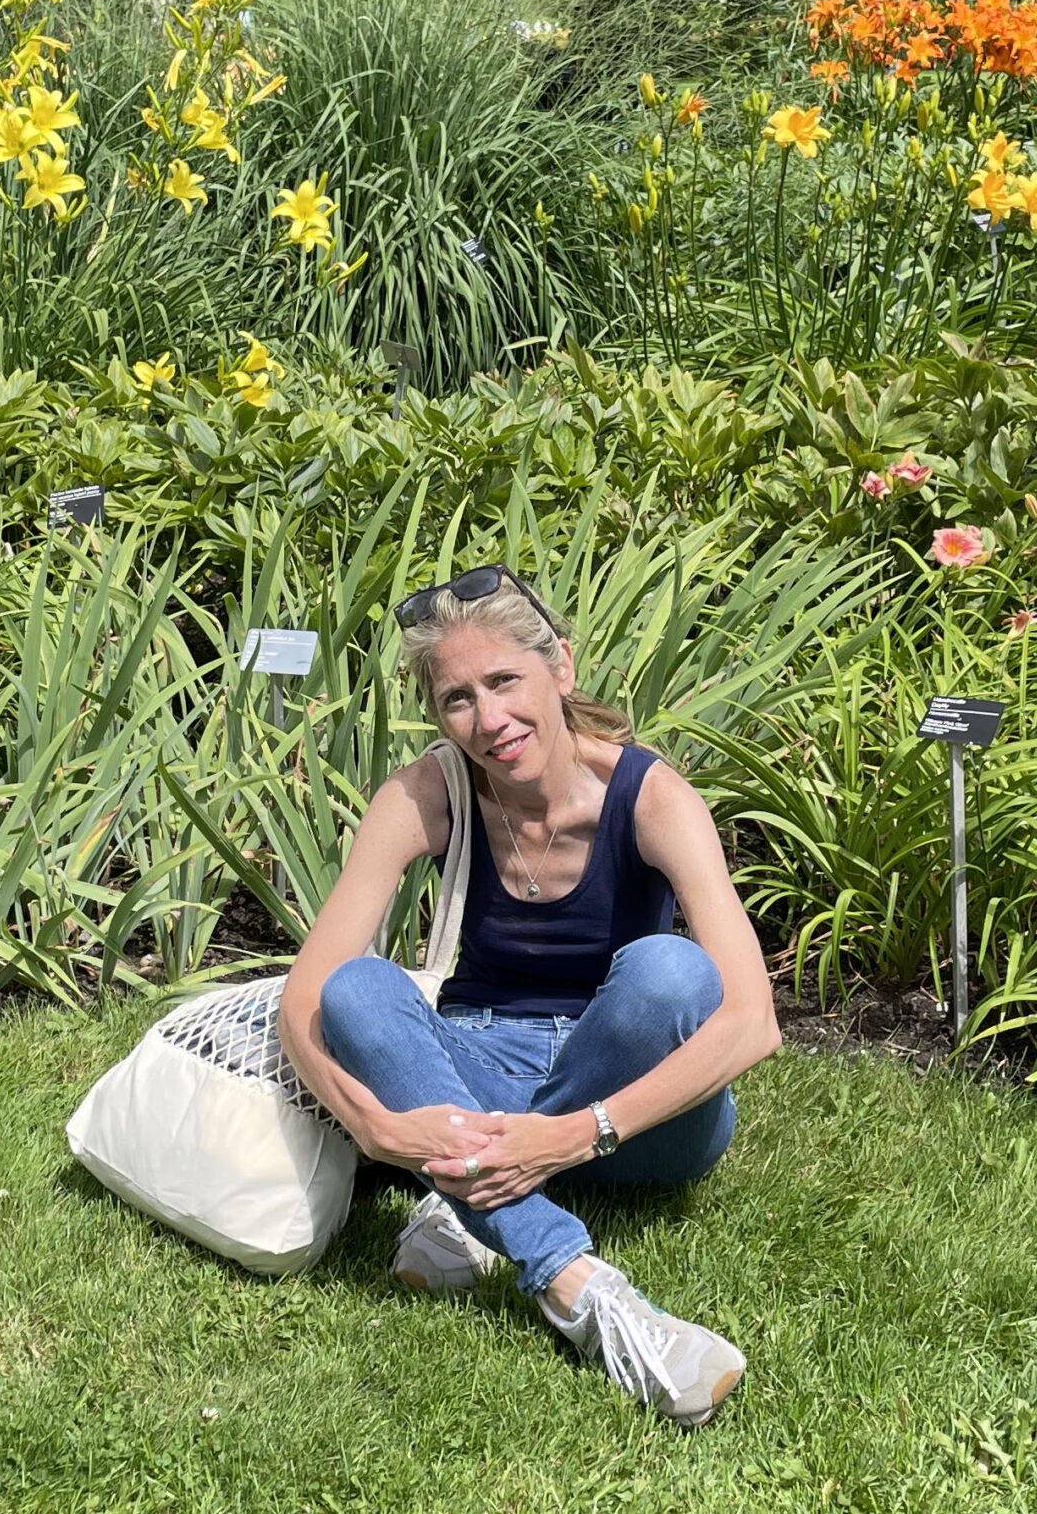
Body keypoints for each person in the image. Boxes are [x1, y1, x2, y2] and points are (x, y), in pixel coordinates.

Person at [277, 564, 780, 1426]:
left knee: (673, 972)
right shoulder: (427, 792)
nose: (489, 719)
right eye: (458, 698)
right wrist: (377, 1128)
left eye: (505, 679)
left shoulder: (652, 796)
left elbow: (751, 1022)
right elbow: (302, 999)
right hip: (487, 1064)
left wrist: (576, 1132)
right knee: (356, 987)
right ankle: (583, 1288)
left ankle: (463, 1204)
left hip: (637, 1114)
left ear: (562, 669)